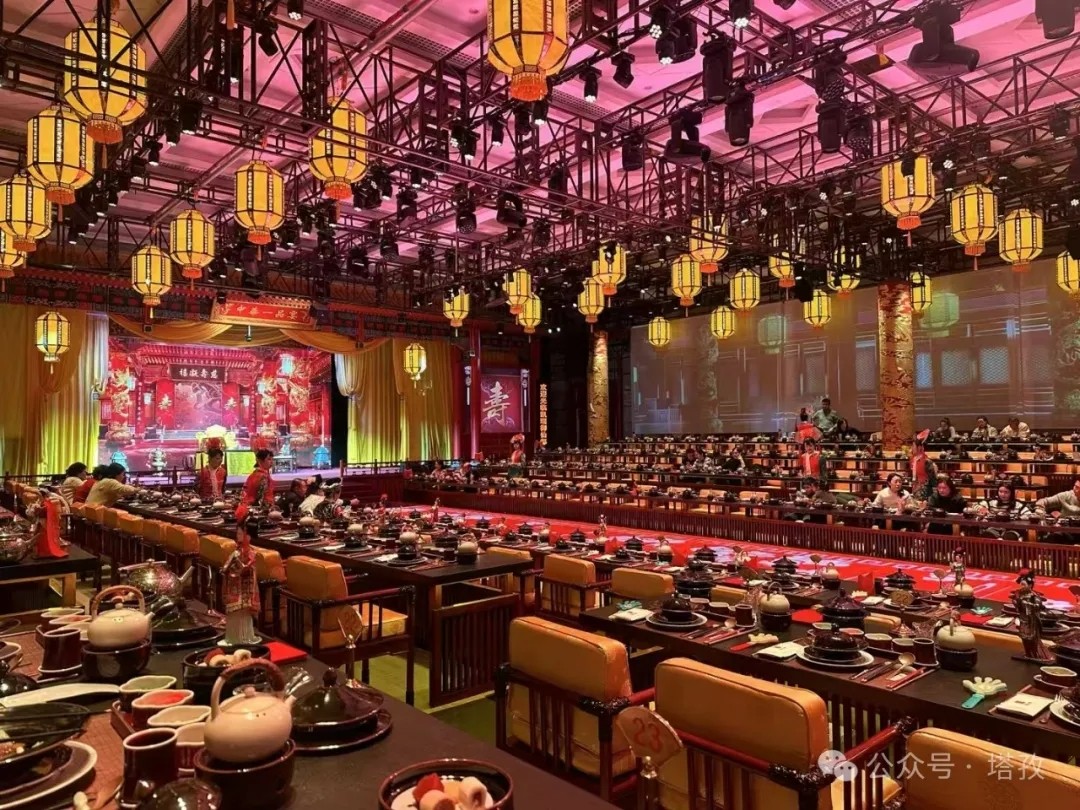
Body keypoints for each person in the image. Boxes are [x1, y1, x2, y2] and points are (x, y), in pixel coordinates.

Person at [236, 449, 276, 522]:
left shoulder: (256, 474)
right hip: (257, 510)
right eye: (269, 459)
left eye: (272, 459)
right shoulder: (262, 476)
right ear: (260, 460)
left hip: (248, 507)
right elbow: (260, 499)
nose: (271, 462)